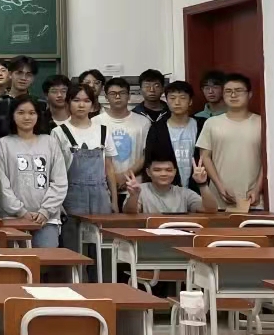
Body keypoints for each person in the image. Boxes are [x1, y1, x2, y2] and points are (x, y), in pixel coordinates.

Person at [0, 95, 68, 248]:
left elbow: (59, 181)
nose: (27, 117)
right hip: (13, 219)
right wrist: (21, 212)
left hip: (47, 219)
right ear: (12, 115)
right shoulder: (3, 144)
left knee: (45, 258)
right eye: (21, 112)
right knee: (16, 260)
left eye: (32, 113)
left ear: (38, 116)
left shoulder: (50, 142)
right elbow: (1, 185)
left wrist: (45, 211)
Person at [54, 84, 119, 249]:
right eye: (76, 100)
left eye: (86, 100)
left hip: (101, 197)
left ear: (93, 104)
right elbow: (55, 172)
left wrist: (114, 200)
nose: (81, 105)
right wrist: (58, 203)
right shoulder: (58, 132)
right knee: (73, 247)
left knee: (101, 247)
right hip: (71, 196)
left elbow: (109, 167)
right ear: (68, 103)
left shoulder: (103, 131)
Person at [197, 73, 265, 210]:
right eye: (228, 91)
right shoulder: (211, 123)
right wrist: (219, 187)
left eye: (238, 90)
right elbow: (205, 157)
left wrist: (257, 189)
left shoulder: (262, 123)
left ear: (249, 94)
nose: (233, 95)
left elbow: (268, 160)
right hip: (219, 199)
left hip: (253, 199)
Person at [97, 77, 152, 206]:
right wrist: (112, 178)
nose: (117, 97)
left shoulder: (143, 122)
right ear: (106, 97)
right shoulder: (95, 122)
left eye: (122, 93)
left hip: (135, 186)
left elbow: (146, 154)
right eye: (113, 93)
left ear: (129, 96)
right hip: (103, 187)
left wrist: (125, 175)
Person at [144, 81, 207, 190]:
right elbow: (150, 160)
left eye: (182, 98)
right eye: (172, 98)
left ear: (190, 101)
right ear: (167, 101)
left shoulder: (202, 125)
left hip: (199, 186)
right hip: (167, 189)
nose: (177, 102)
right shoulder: (157, 129)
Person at [125, 158, 217, 214]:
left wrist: (202, 184)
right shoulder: (139, 190)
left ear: (175, 172)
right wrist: (134, 196)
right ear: (148, 172)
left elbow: (210, 210)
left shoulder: (184, 193)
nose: (163, 174)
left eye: (168, 170)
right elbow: (129, 213)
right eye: (157, 170)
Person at [0, 55, 47, 137]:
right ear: (10, 74)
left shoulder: (40, 104)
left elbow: (43, 132)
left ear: (33, 78)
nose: (23, 78)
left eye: (28, 74)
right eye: (19, 73)